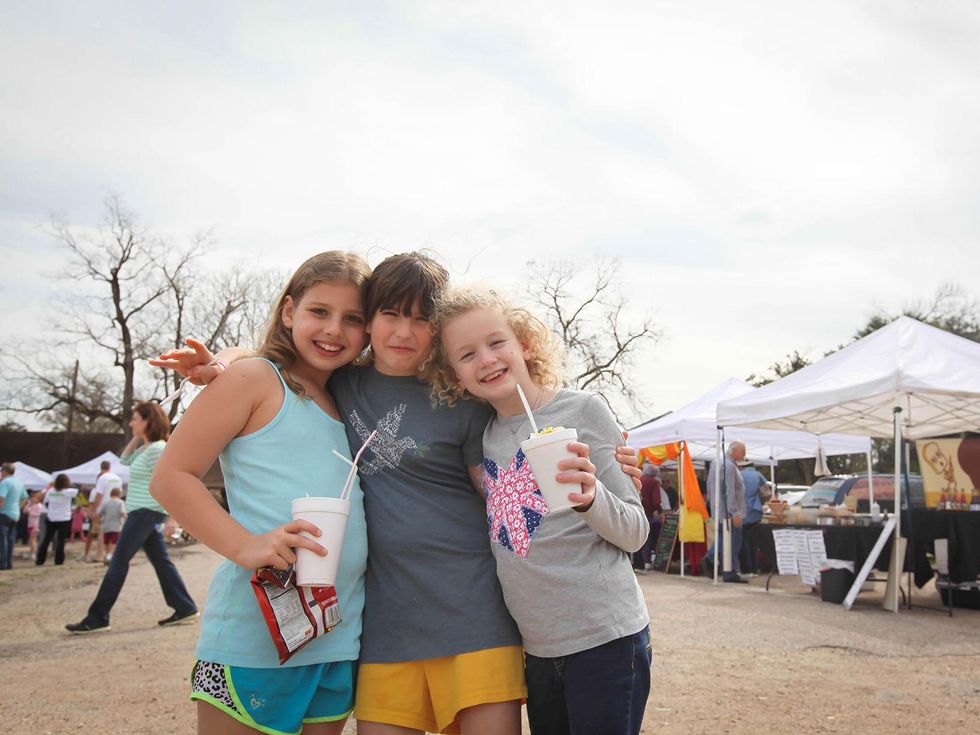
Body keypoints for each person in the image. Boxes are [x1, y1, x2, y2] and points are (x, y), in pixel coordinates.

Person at [152, 251, 641, 735]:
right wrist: (224, 362)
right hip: (381, 628)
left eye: (421, 319)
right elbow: (273, 364)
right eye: (388, 314)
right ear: (370, 324)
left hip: (474, 616)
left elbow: (505, 474)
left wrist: (606, 471)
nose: (403, 333)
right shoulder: (343, 382)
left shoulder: (463, 399)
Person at [151, 250, 371, 735]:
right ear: (289, 311)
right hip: (254, 641)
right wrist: (246, 545)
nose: (334, 329)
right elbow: (172, 476)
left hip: (337, 639)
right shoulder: (256, 378)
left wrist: (225, 358)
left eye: (352, 319)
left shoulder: (354, 399)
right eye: (320, 312)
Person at [425, 285, 651, 735]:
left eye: (496, 343)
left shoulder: (584, 409)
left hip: (605, 638)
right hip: (537, 650)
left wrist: (590, 497)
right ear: (454, 375)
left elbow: (635, 531)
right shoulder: (483, 436)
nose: (486, 359)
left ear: (524, 343)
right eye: (466, 355)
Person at [65, 401, 197, 634]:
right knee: (161, 563)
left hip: (147, 512)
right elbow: (123, 461)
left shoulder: (158, 449)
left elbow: (172, 482)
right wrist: (139, 436)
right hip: (140, 511)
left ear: (147, 422)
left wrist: (172, 518)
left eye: (135, 418)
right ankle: (185, 607)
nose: (130, 422)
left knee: (118, 562)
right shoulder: (146, 449)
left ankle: (97, 617)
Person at [701, 441, 747, 583]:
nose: (745, 454)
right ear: (734, 450)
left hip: (719, 510)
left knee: (723, 538)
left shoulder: (717, 462)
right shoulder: (729, 465)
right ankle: (726, 569)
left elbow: (710, 485)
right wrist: (735, 512)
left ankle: (724, 568)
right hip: (728, 513)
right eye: (743, 451)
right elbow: (729, 490)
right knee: (732, 542)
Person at [36, 474, 78, 566]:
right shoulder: (68, 492)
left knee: (46, 539)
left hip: (51, 517)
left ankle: (40, 560)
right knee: (61, 540)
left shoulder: (50, 491)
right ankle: (59, 560)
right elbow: (77, 490)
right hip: (64, 518)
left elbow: (46, 503)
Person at [85, 460, 122, 563]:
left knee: (102, 532)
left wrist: (94, 510)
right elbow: (120, 493)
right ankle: (111, 553)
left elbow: (99, 495)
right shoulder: (117, 478)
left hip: (104, 507)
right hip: (115, 506)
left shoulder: (102, 478)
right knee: (114, 531)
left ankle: (100, 554)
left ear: (101, 468)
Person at [738, 460, 769, 577]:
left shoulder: (739, 474)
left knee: (743, 542)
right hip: (756, 511)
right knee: (754, 543)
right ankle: (755, 569)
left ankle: (746, 570)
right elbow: (766, 493)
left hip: (742, 510)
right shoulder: (758, 475)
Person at [635, 464, 666, 572]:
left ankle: (637, 563)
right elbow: (656, 501)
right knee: (649, 538)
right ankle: (646, 562)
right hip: (647, 514)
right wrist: (660, 512)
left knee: (638, 537)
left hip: (636, 512)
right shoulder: (654, 482)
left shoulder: (639, 479)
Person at [0, 462, 29, 569]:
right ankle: (8, 563)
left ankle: (3, 563)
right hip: (15, 514)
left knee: (2, 539)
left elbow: (1, 498)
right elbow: (25, 498)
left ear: (5, 471)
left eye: (1, 470)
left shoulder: (4, 483)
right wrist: (18, 507)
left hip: (4, 513)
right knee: (11, 539)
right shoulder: (19, 482)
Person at [99, 487, 127, 562]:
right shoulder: (120, 502)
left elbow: (100, 513)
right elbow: (122, 513)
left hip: (106, 525)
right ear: (119, 494)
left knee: (106, 541)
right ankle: (110, 555)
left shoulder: (106, 502)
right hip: (116, 525)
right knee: (114, 541)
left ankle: (107, 555)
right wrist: (126, 519)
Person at [26, 491, 44, 559]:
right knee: (31, 540)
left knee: (32, 540)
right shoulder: (31, 505)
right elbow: (25, 510)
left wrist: (31, 512)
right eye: (31, 498)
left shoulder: (39, 506)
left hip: (36, 525)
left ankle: (33, 553)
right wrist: (29, 504)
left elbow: (38, 514)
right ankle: (31, 552)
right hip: (30, 525)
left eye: (34, 498)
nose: (32, 499)